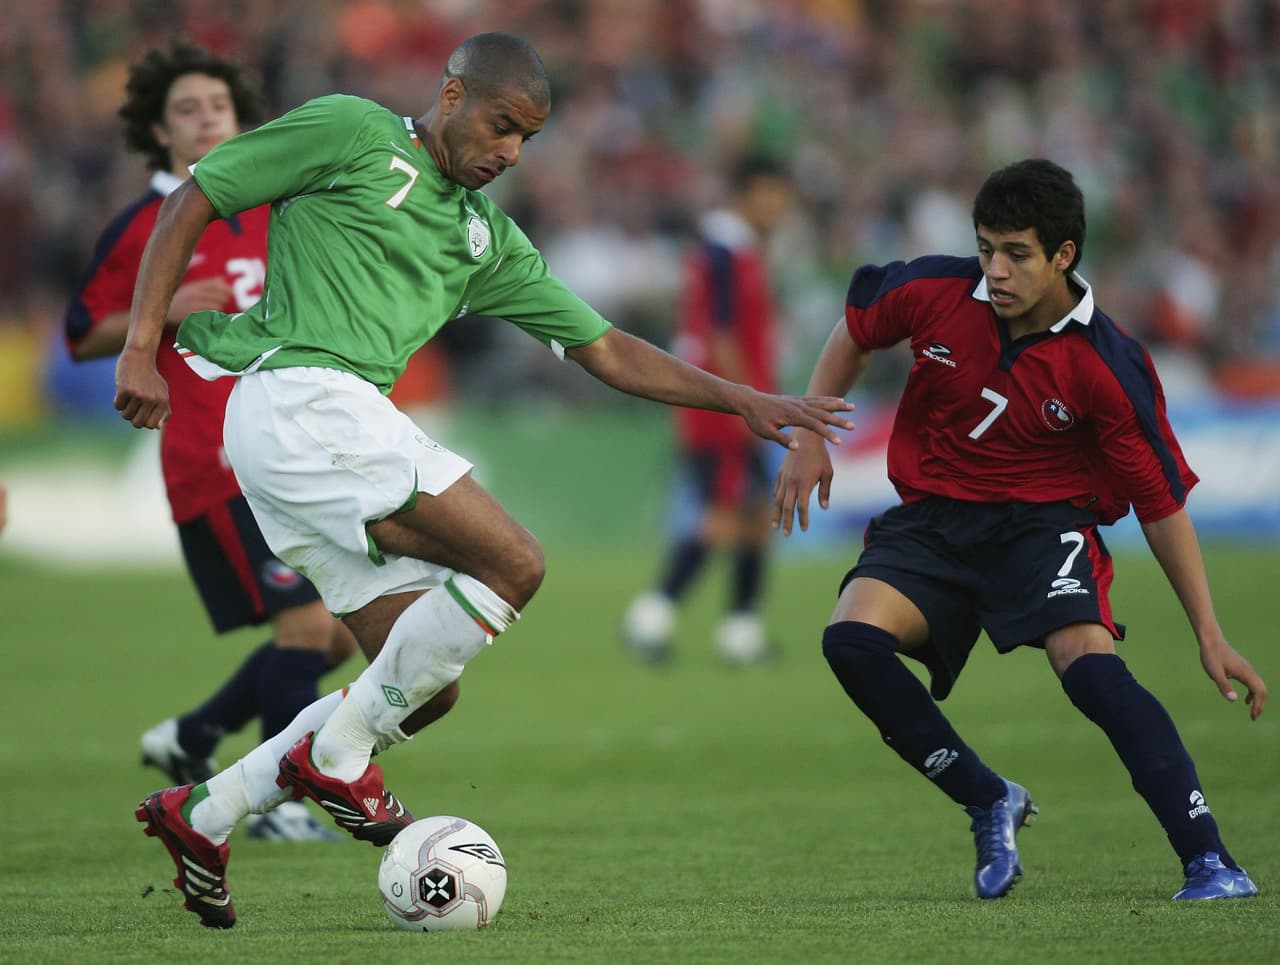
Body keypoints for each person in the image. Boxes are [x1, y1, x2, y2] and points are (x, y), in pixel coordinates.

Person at [114, 32, 853, 928]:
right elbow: (196, 194)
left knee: (421, 685)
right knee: (518, 563)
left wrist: (740, 399)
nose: (510, 152)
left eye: (527, 140)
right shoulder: (351, 132)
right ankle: (337, 760)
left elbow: (608, 349)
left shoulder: (485, 240)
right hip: (302, 396)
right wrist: (141, 344)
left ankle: (206, 812)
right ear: (454, 95)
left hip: (309, 438)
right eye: (503, 126)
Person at [772, 158, 1267, 902]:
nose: (995, 271)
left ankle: (1210, 859)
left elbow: (1159, 505)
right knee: (851, 641)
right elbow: (854, 329)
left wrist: (1207, 629)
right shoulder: (937, 290)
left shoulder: (1108, 364)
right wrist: (811, 432)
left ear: (1064, 255)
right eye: (986, 248)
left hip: (1043, 529)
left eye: (1016, 253)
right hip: (934, 522)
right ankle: (986, 796)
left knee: (1092, 672)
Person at [64, 40, 358, 842]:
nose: (206, 121)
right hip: (213, 456)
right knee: (305, 630)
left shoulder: (269, 205)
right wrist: (157, 311)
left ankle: (195, 735)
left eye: (218, 108)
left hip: (287, 447)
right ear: (160, 132)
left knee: (336, 633)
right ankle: (281, 801)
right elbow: (83, 332)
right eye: (187, 111)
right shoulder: (141, 227)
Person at [621, 154, 795, 665]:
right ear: (746, 196)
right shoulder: (724, 252)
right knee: (724, 516)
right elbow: (719, 336)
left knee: (755, 514)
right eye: (770, 195)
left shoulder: (734, 251)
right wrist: (748, 404)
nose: (778, 207)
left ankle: (739, 630)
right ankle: (652, 615)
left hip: (738, 406)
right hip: (727, 411)